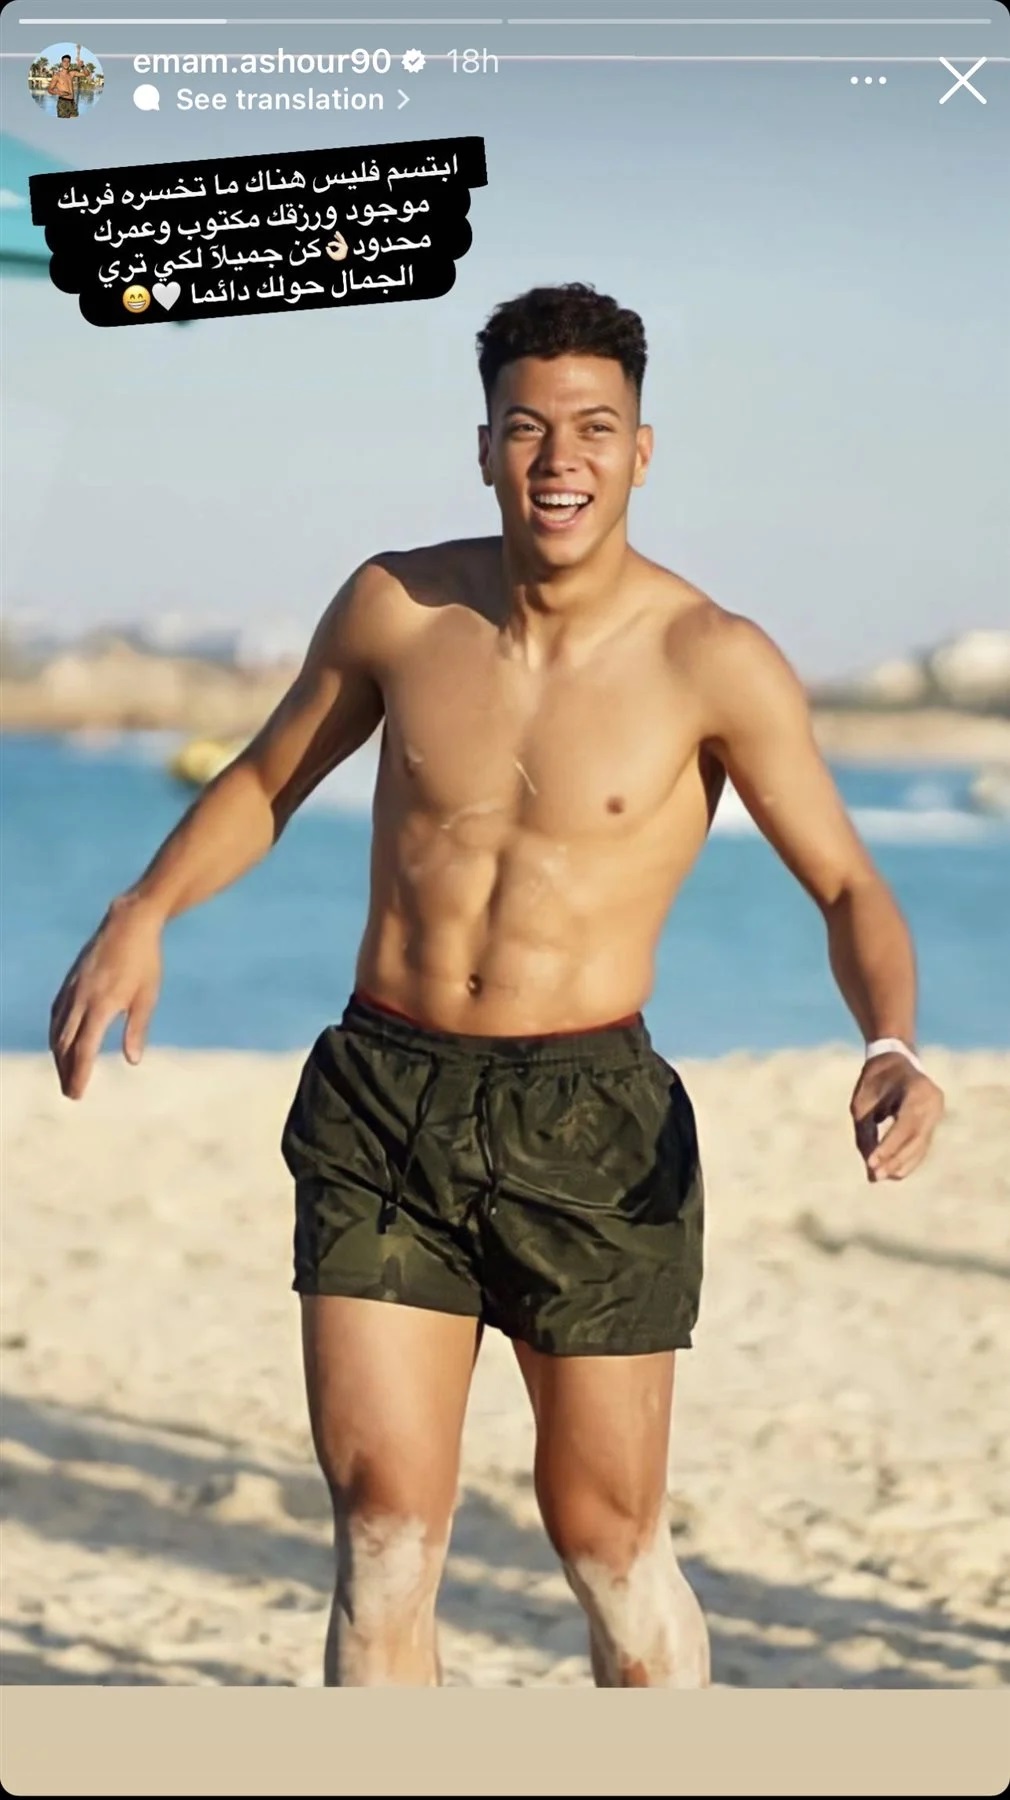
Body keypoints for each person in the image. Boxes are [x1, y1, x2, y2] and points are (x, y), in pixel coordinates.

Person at [49, 282, 945, 1688]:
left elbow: (846, 884)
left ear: (641, 450)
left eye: (592, 427)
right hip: (383, 1092)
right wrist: (144, 907)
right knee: (382, 1534)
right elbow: (267, 778)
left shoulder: (710, 659)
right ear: (482, 448)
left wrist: (891, 1041)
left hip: (589, 1121)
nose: (558, 457)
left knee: (605, 1543)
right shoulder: (396, 607)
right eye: (525, 427)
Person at [47, 53, 80, 118]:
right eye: (64, 61)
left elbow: (86, 74)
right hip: (63, 102)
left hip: (72, 102)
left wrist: (82, 66)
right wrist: (58, 92)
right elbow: (49, 90)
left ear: (70, 63)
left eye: (68, 61)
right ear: (61, 63)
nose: (66, 63)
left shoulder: (71, 74)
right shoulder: (57, 75)